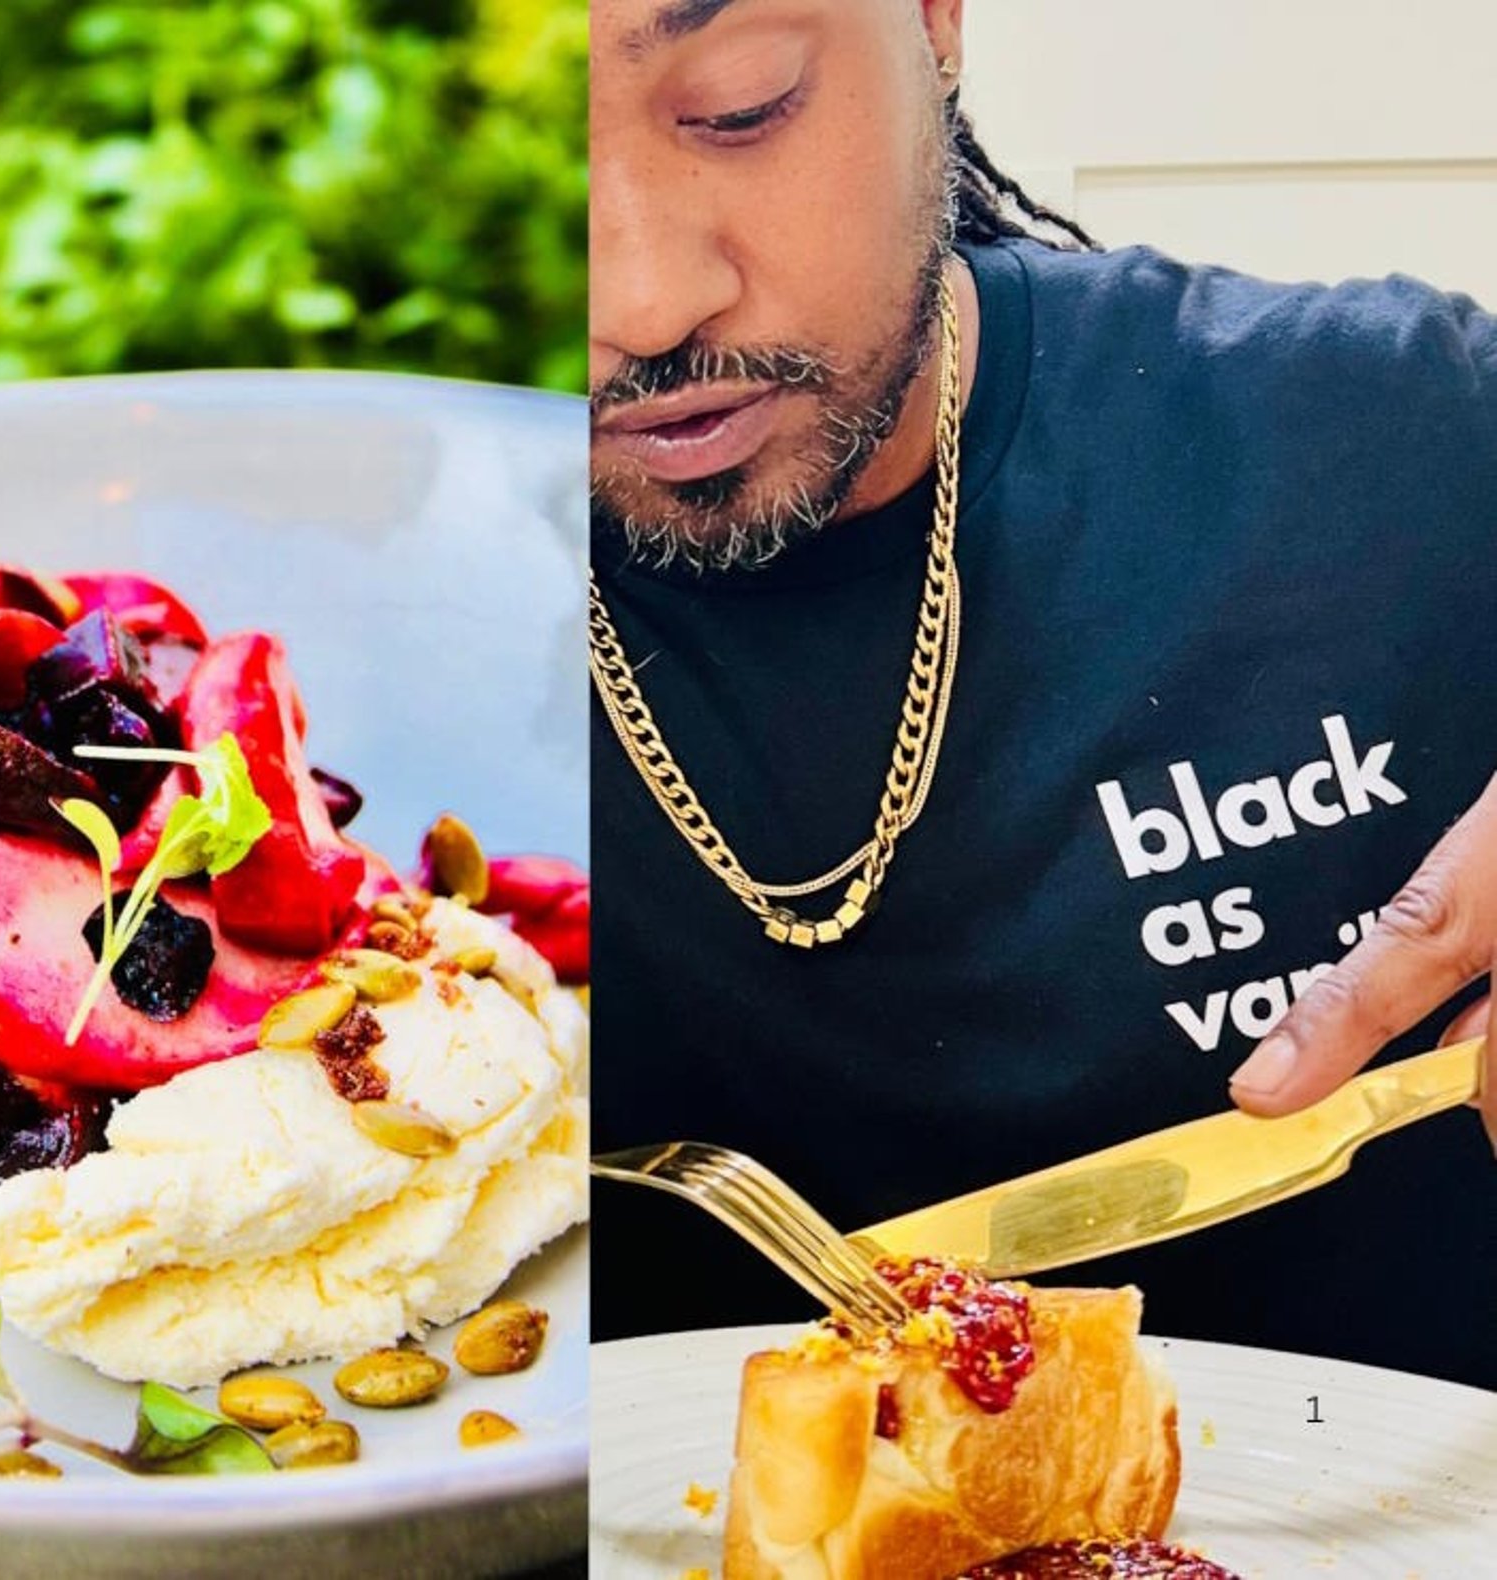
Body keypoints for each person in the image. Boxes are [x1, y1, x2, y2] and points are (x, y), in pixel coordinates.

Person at [589, 0, 1497, 1389]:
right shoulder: (286, 636)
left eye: (740, 106)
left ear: (938, 21)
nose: (642, 301)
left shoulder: (1400, 441)